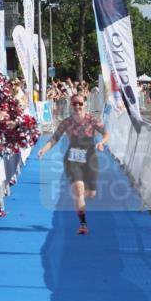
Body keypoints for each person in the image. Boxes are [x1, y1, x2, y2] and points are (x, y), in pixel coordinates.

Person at [36, 94, 110, 235]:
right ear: (71, 105)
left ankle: (82, 198)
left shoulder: (92, 120)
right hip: (72, 159)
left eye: (80, 104)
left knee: (91, 194)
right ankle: (83, 223)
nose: (77, 106)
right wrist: (43, 150)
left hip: (90, 158)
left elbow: (107, 133)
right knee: (78, 189)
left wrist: (101, 142)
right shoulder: (66, 122)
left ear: (85, 105)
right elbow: (54, 139)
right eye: (75, 104)